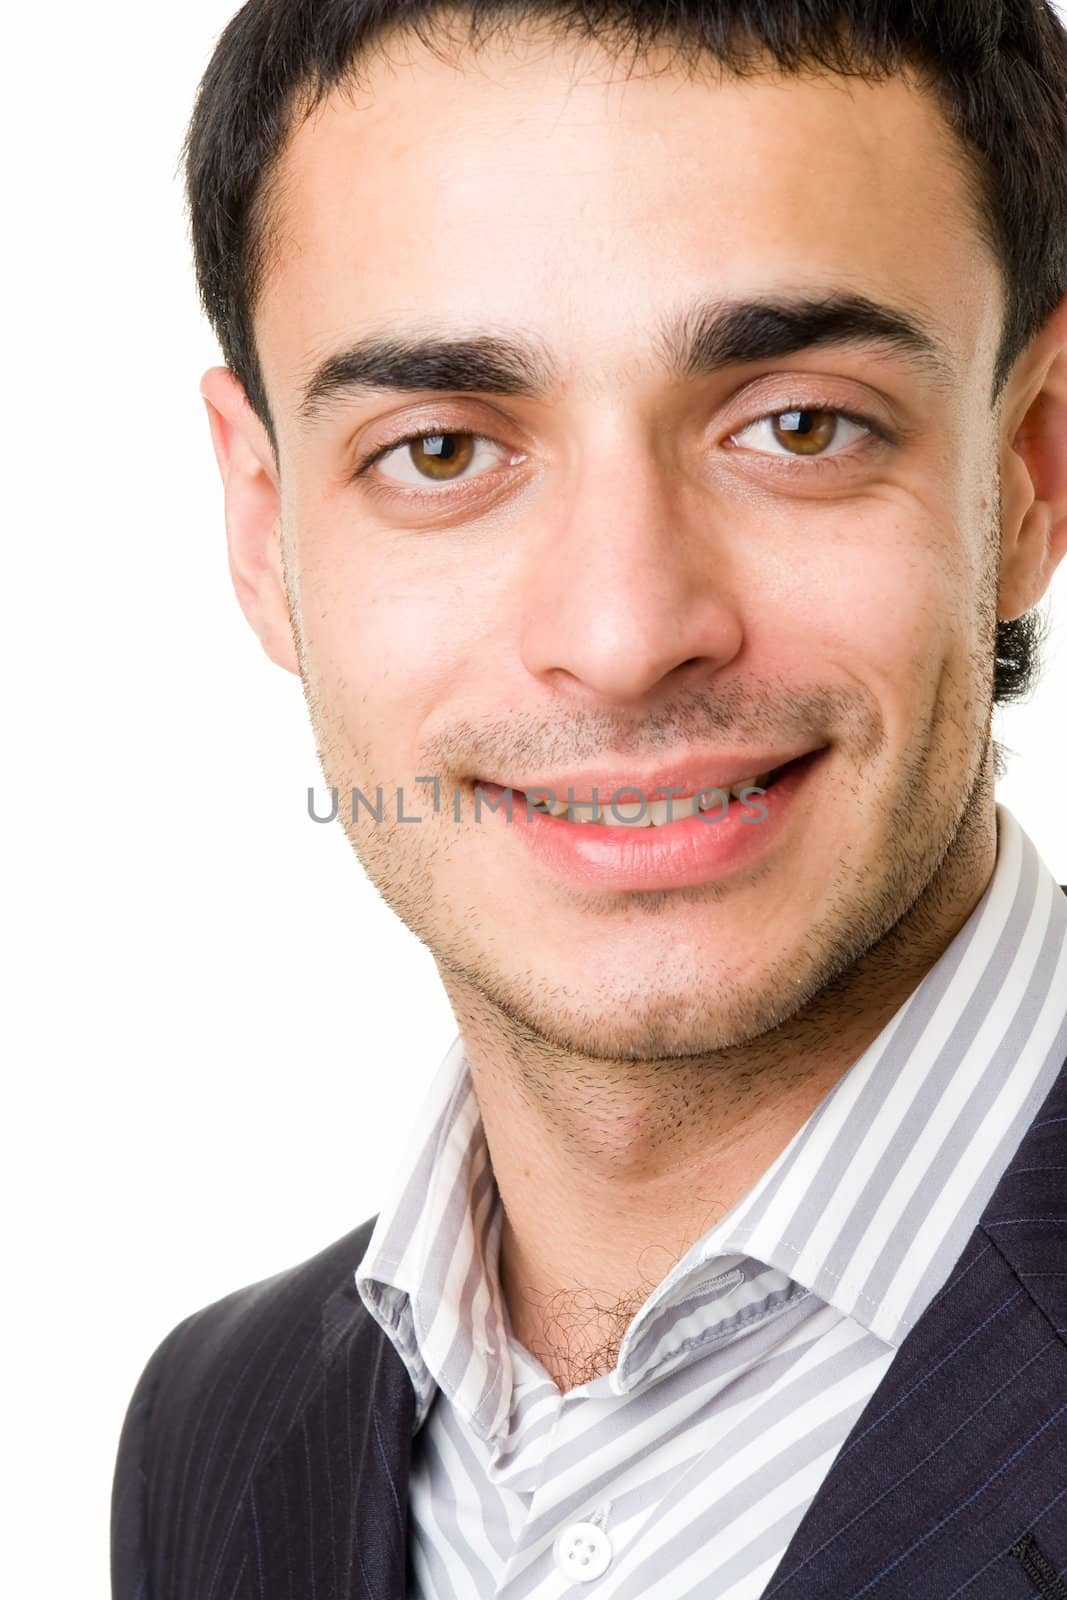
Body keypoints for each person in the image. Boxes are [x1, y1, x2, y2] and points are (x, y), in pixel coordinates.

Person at [111, 1, 1067, 1595]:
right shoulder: (216, 1433)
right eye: (439, 452)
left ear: (1029, 467)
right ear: (263, 532)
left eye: (799, 426)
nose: (624, 639)